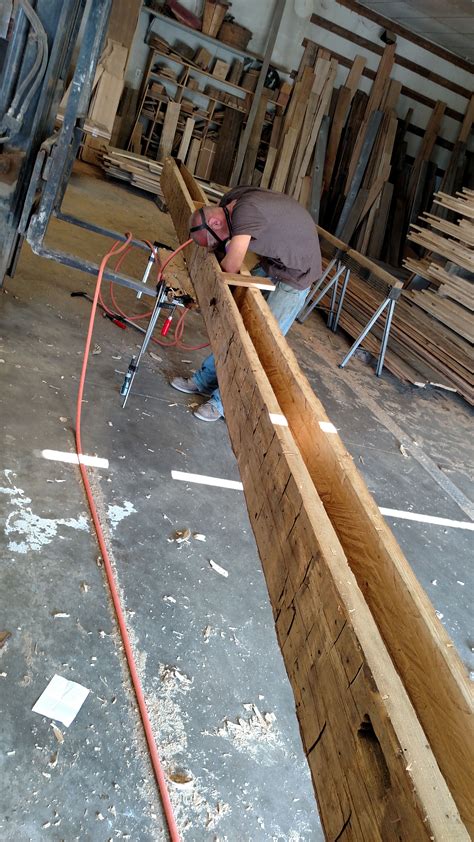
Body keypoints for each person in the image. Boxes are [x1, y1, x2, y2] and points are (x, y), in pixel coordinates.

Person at [171, 185, 322, 421]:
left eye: (212, 241)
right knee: (235, 324)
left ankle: (223, 404)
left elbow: (231, 265)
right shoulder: (230, 202)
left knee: (257, 343)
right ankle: (205, 380)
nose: (214, 245)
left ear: (217, 223)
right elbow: (227, 247)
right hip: (274, 262)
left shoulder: (244, 213)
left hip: (296, 274)